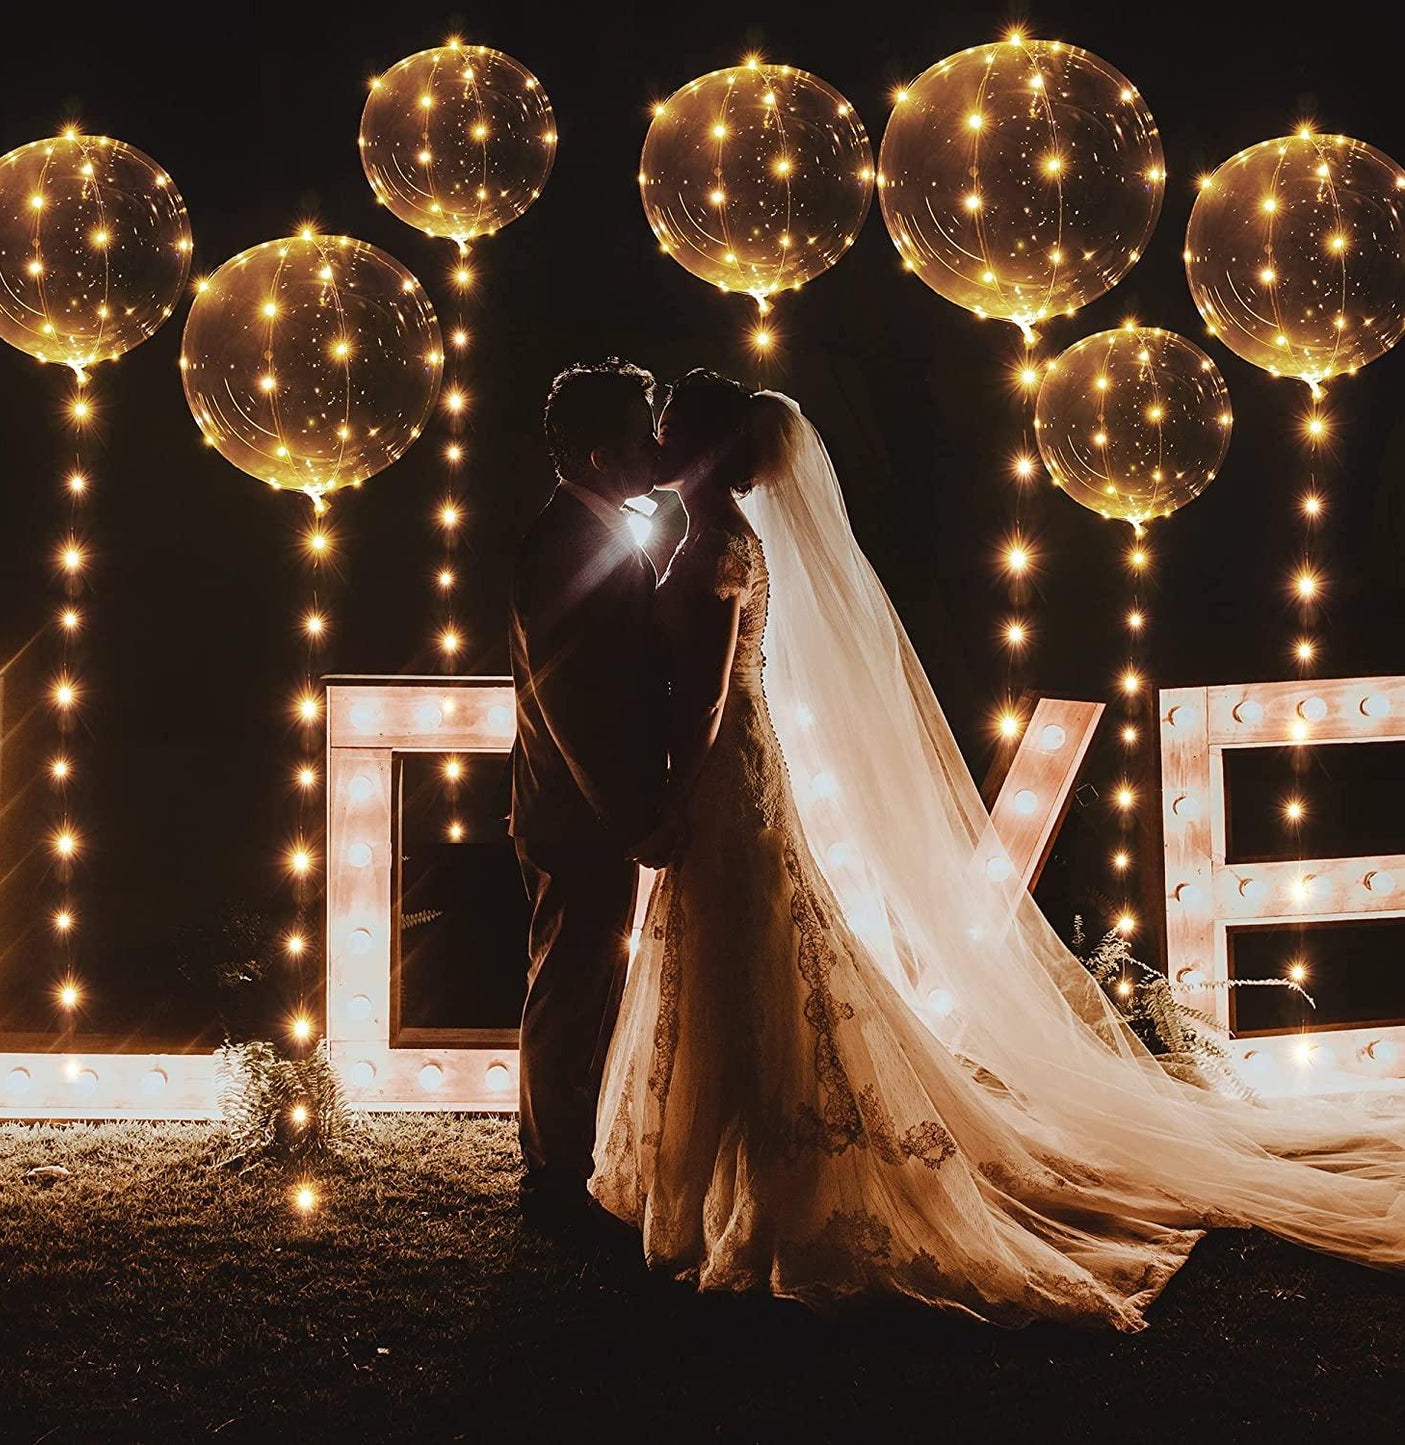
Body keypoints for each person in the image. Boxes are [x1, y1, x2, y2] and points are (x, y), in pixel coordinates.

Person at [591, 371, 1405, 1327]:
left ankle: (761, 1168)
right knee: (747, 953)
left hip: (724, 779)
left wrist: (668, 797)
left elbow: (707, 699)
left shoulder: (716, 550)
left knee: (751, 953)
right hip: (735, 774)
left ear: (710, 451)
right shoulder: (717, 539)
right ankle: (733, 1161)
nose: (657, 438)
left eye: (672, 427)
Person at [508, 359, 682, 1243]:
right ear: (596, 451)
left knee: (583, 982)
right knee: (569, 986)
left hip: (585, 809)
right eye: (641, 430)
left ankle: (570, 1162)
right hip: (575, 812)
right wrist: (630, 814)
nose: (656, 446)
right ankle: (552, 1178)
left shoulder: (595, 531)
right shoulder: (566, 544)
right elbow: (573, 699)